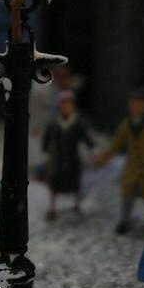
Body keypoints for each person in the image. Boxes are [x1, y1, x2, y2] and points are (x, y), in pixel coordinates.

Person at [95, 90, 144, 234]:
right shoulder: (127, 124)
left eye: (138, 104)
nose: (135, 107)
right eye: (132, 104)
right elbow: (116, 142)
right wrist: (105, 156)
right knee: (128, 193)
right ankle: (124, 220)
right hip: (132, 168)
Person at [42, 90, 95, 220]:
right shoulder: (54, 123)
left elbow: (87, 139)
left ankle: (76, 204)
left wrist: (94, 150)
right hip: (57, 159)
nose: (66, 107)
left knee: (75, 182)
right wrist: (46, 154)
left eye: (69, 104)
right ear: (59, 105)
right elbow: (46, 140)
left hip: (73, 158)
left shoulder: (78, 123)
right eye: (63, 104)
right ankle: (52, 207)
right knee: (55, 183)